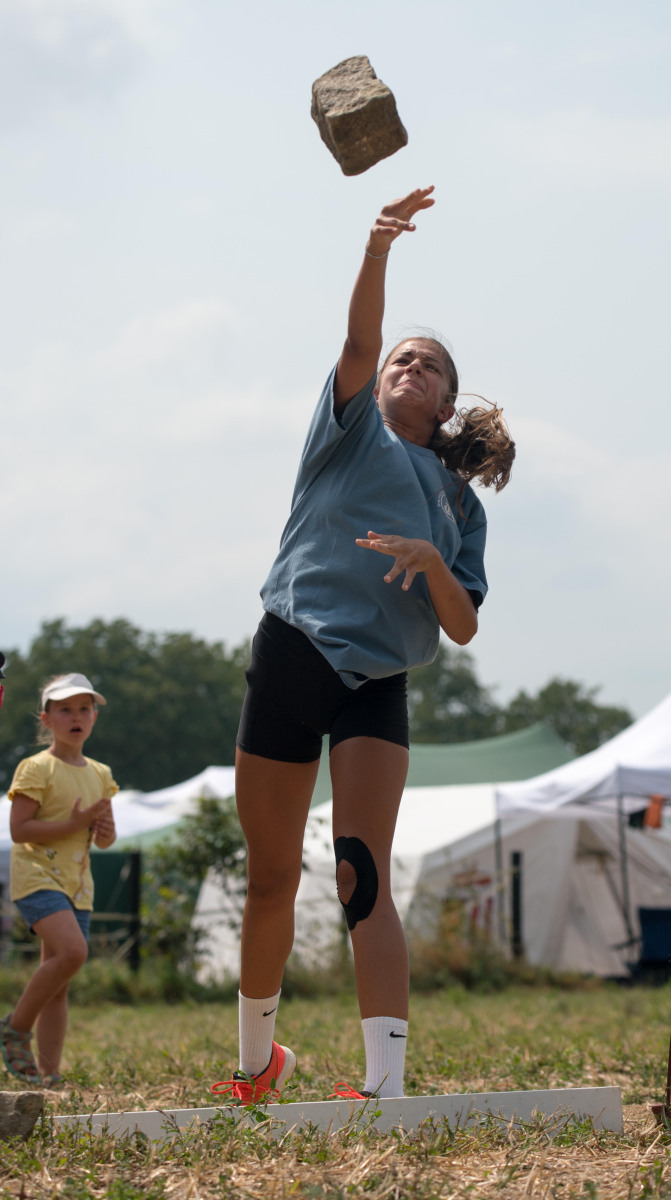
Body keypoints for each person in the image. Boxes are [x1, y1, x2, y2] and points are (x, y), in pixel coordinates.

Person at [212, 186, 515, 1106]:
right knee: (270, 875)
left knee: (362, 876)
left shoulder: (458, 505)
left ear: (446, 401)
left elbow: (461, 623)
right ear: (378, 382)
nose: (410, 367)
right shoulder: (348, 432)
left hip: (378, 682)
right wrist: (378, 247)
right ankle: (256, 1065)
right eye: (400, 360)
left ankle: (385, 1088)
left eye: (429, 366)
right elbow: (355, 341)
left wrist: (429, 560)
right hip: (294, 652)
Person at [1, 673, 117, 1086]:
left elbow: (105, 838)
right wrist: (73, 824)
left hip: (77, 886)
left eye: (84, 708)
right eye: (65, 709)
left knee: (59, 981)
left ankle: (48, 1073)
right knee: (73, 953)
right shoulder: (36, 767)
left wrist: (104, 831)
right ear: (46, 719)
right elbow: (19, 830)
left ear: (94, 717)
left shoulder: (101, 773)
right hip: (37, 876)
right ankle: (15, 1028)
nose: (76, 716)